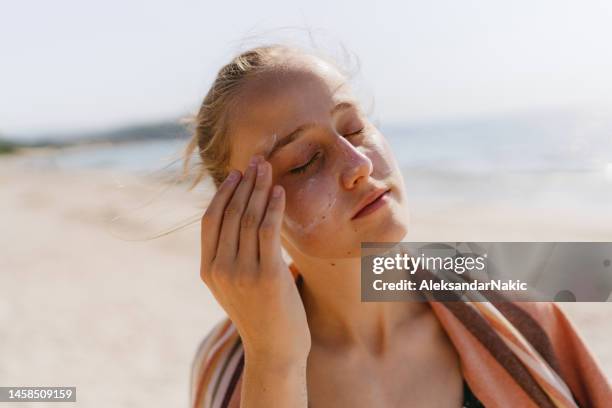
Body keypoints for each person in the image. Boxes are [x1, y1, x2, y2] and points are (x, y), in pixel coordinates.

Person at [184, 44, 610, 407]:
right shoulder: (232, 369)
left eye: (353, 128)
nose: (359, 163)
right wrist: (275, 361)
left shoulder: (519, 308)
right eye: (304, 161)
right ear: (239, 211)